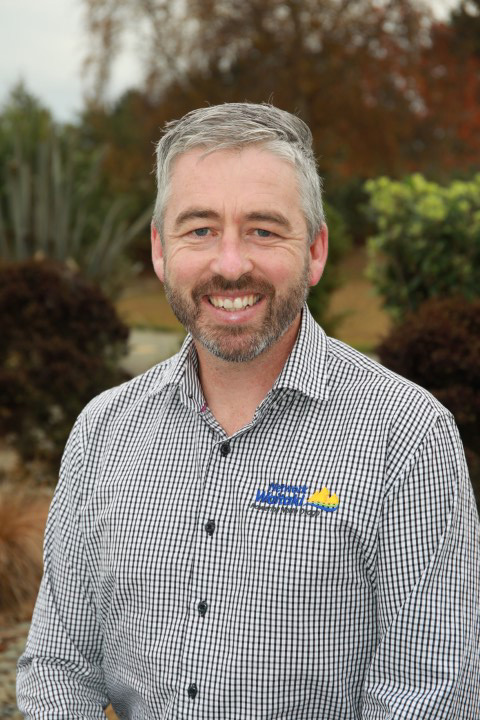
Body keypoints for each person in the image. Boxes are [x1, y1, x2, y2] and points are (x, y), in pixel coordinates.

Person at [17, 103, 479, 719]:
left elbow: (429, 698)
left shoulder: (408, 438)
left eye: (263, 230)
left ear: (315, 250)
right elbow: (59, 666)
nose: (230, 264)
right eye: (200, 229)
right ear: (159, 249)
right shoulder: (102, 432)